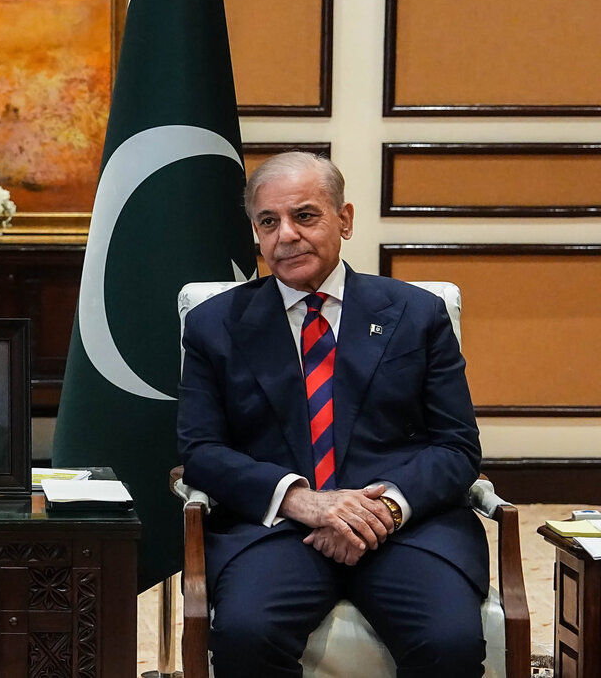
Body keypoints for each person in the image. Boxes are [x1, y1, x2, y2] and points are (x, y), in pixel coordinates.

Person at [176, 152, 487, 678]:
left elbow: (457, 447)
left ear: (344, 219)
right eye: (268, 222)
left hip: (406, 527)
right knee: (246, 637)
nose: (286, 235)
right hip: (276, 529)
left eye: (305, 215)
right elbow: (200, 451)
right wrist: (304, 502)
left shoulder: (416, 313)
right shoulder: (215, 324)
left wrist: (382, 510)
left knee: (449, 642)